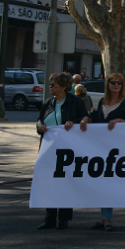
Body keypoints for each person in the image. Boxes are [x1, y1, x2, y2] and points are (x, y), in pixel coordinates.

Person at [79, 73, 125, 231]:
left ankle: (107, 219)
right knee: (102, 183)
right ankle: (104, 219)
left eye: (119, 83)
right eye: (113, 82)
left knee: (110, 183)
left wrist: (120, 121)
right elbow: (95, 120)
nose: (116, 85)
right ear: (108, 85)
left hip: (118, 151)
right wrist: (85, 119)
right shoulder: (102, 102)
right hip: (100, 148)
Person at [35, 72, 89, 229]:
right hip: (48, 148)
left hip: (67, 149)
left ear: (64, 87)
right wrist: (40, 126)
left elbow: (86, 118)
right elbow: (39, 120)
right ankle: (49, 218)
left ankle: (64, 218)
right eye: (50, 84)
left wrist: (75, 122)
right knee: (49, 183)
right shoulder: (47, 103)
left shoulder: (76, 102)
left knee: (65, 182)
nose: (50, 87)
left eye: (53, 84)